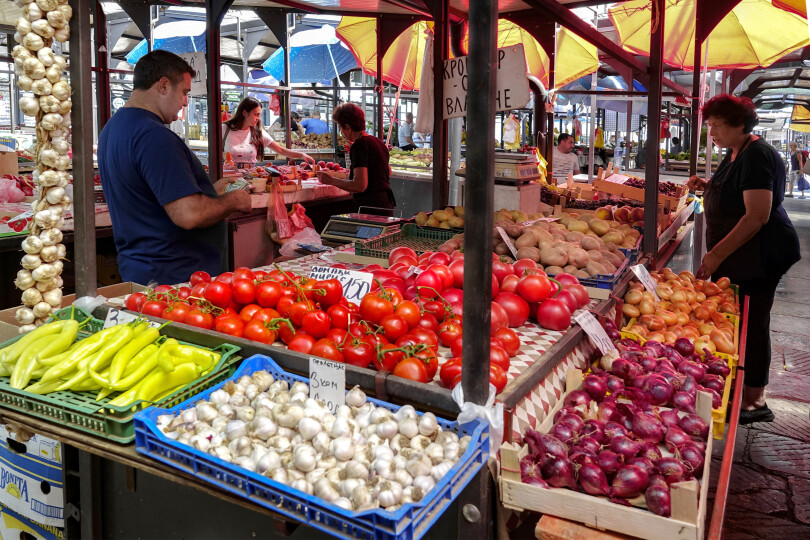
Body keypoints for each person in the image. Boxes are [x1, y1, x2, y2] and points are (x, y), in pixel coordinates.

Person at [686, 94, 801, 425]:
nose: (712, 134)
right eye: (710, 126)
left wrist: (716, 253)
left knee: (753, 320)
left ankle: (754, 399)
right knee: (745, 319)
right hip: (745, 254)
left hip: (762, 253)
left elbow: (757, 216)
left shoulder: (757, 156)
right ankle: (745, 388)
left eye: (718, 126)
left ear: (740, 124)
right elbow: (738, 191)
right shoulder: (736, 151)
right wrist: (708, 185)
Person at [98, 50, 252, 285]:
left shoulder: (113, 128)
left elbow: (151, 197)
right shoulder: (154, 136)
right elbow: (187, 214)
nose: (185, 102)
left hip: (142, 269)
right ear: (163, 85)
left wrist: (210, 193)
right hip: (176, 278)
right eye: (184, 92)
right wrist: (234, 201)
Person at [318, 103, 395, 211]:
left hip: (370, 208)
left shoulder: (359, 145)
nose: (342, 133)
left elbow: (359, 185)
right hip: (386, 204)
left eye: (341, 128)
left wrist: (331, 180)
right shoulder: (377, 141)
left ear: (347, 127)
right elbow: (388, 172)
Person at [223, 97, 314, 168]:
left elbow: (280, 150)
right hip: (229, 178)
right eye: (256, 114)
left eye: (259, 115)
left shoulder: (258, 132)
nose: (258, 118)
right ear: (244, 113)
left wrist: (301, 155)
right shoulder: (225, 129)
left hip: (251, 177)